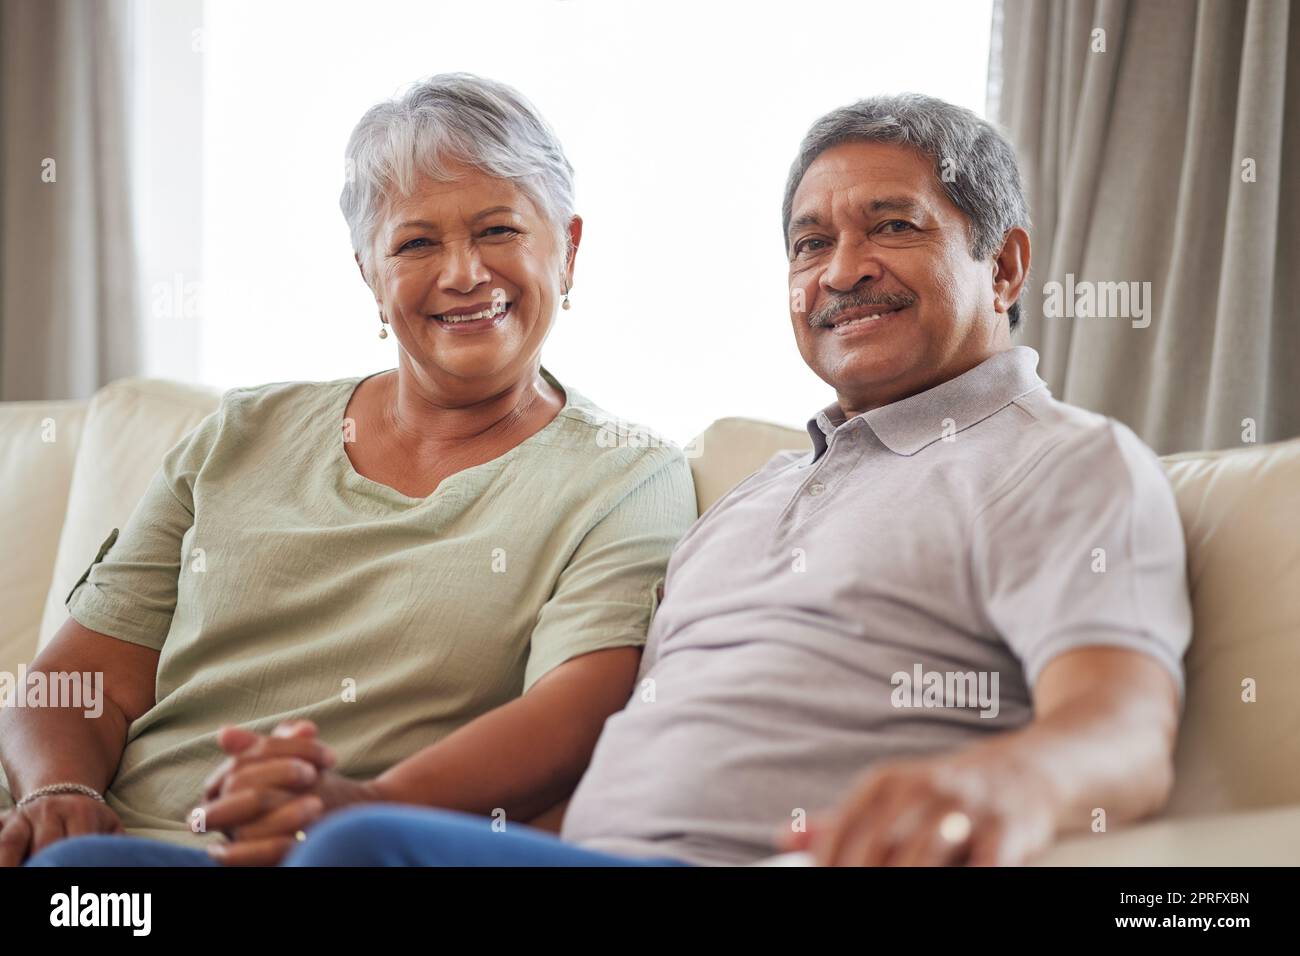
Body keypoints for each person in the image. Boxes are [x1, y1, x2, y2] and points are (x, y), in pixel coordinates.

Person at [257, 92, 1191, 868]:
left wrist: (1006, 783)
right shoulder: (756, 495)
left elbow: (1123, 728)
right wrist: (353, 809)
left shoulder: (1063, 459)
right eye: (808, 243)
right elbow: (627, 761)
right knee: (118, 875)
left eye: (892, 227)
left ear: (1006, 265)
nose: (843, 271)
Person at [7, 73, 696, 867]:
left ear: (568, 249)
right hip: (122, 837)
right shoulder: (239, 434)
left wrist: (355, 809)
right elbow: (80, 682)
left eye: (499, 231)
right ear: (369, 274)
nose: (464, 273)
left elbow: (574, 711)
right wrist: (58, 794)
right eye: (416, 243)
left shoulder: (625, 476)